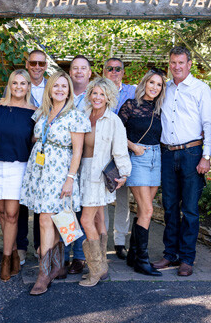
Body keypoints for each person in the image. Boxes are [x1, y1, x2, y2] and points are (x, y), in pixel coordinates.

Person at [21, 71, 90, 295]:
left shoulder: (75, 115)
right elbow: (36, 137)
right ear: (49, 89)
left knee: (46, 218)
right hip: (40, 172)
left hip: (60, 173)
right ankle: (58, 266)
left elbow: (78, 151)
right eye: (56, 85)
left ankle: (43, 274)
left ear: (69, 91)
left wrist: (70, 179)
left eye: (64, 86)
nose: (60, 89)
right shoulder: (42, 112)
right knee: (54, 219)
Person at [152, 46, 211, 277]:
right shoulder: (164, 88)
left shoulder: (201, 89)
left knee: (189, 209)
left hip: (191, 153)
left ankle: (187, 258)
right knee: (169, 207)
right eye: (173, 62)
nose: (176, 66)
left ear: (189, 64)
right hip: (167, 153)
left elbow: (209, 124)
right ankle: (170, 253)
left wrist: (206, 157)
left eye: (181, 62)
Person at [79, 77, 131, 287]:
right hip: (82, 172)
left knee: (86, 220)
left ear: (109, 97)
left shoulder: (113, 120)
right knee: (99, 219)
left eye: (102, 94)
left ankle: (95, 269)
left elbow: (120, 149)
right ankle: (102, 267)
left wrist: (124, 173)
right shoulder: (83, 115)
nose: (98, 97)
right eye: (95, 93)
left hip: (98, 176)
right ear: (89, 94)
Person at [0, 70, 36, 282]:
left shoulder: (34, 112)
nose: (18, 87)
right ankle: (14, 253)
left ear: (28, 87)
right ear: (9, 84)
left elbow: (36, 141)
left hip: (19, 166)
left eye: (23, 83)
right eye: (15, 83)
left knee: (13, 214)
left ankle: (6, 260)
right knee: (2, 212)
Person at [118, 70, 166, 276]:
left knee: (142, 211)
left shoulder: (161, 108)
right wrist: (133, 146)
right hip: (138, 158)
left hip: (157, 158)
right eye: (151, 82)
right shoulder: (130, 105)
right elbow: (116, 132)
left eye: (159, 84)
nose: (154, 87)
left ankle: (133, 254)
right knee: (147, 211)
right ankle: (142, 261)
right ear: (145, 83)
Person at [103, 57, 135, 260]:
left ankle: (120, 242)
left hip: (124, 152)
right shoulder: (97, 91)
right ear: (104, 71)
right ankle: (102, 240)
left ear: (123, 72)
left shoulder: (132, 92)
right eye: (110, 68)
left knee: (123, 199)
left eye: (117, 69)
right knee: (102, 200)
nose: (114, 72)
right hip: (102, 153)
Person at [18, 50, 49, 264]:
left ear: (45, 66)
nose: (37, 67)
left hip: (44, 152)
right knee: (20, 199)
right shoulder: (19, 84)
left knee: (41, 198)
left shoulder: (53, 87)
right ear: (27, 64)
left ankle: (40, 246)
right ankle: (21, 246)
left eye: (41, 63)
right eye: (33, 63)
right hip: (21, 147)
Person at [64, 55, 92, 274]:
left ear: (89, 73)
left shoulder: (95, 96)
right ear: (70, 72)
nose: (79, 72)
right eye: (75, 68)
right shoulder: (63, 93)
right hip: (65, 159)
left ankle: (80, 256)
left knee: (84, 208)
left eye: (83, 68)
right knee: (66, 207)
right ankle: (64, 255)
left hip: (89, 159)